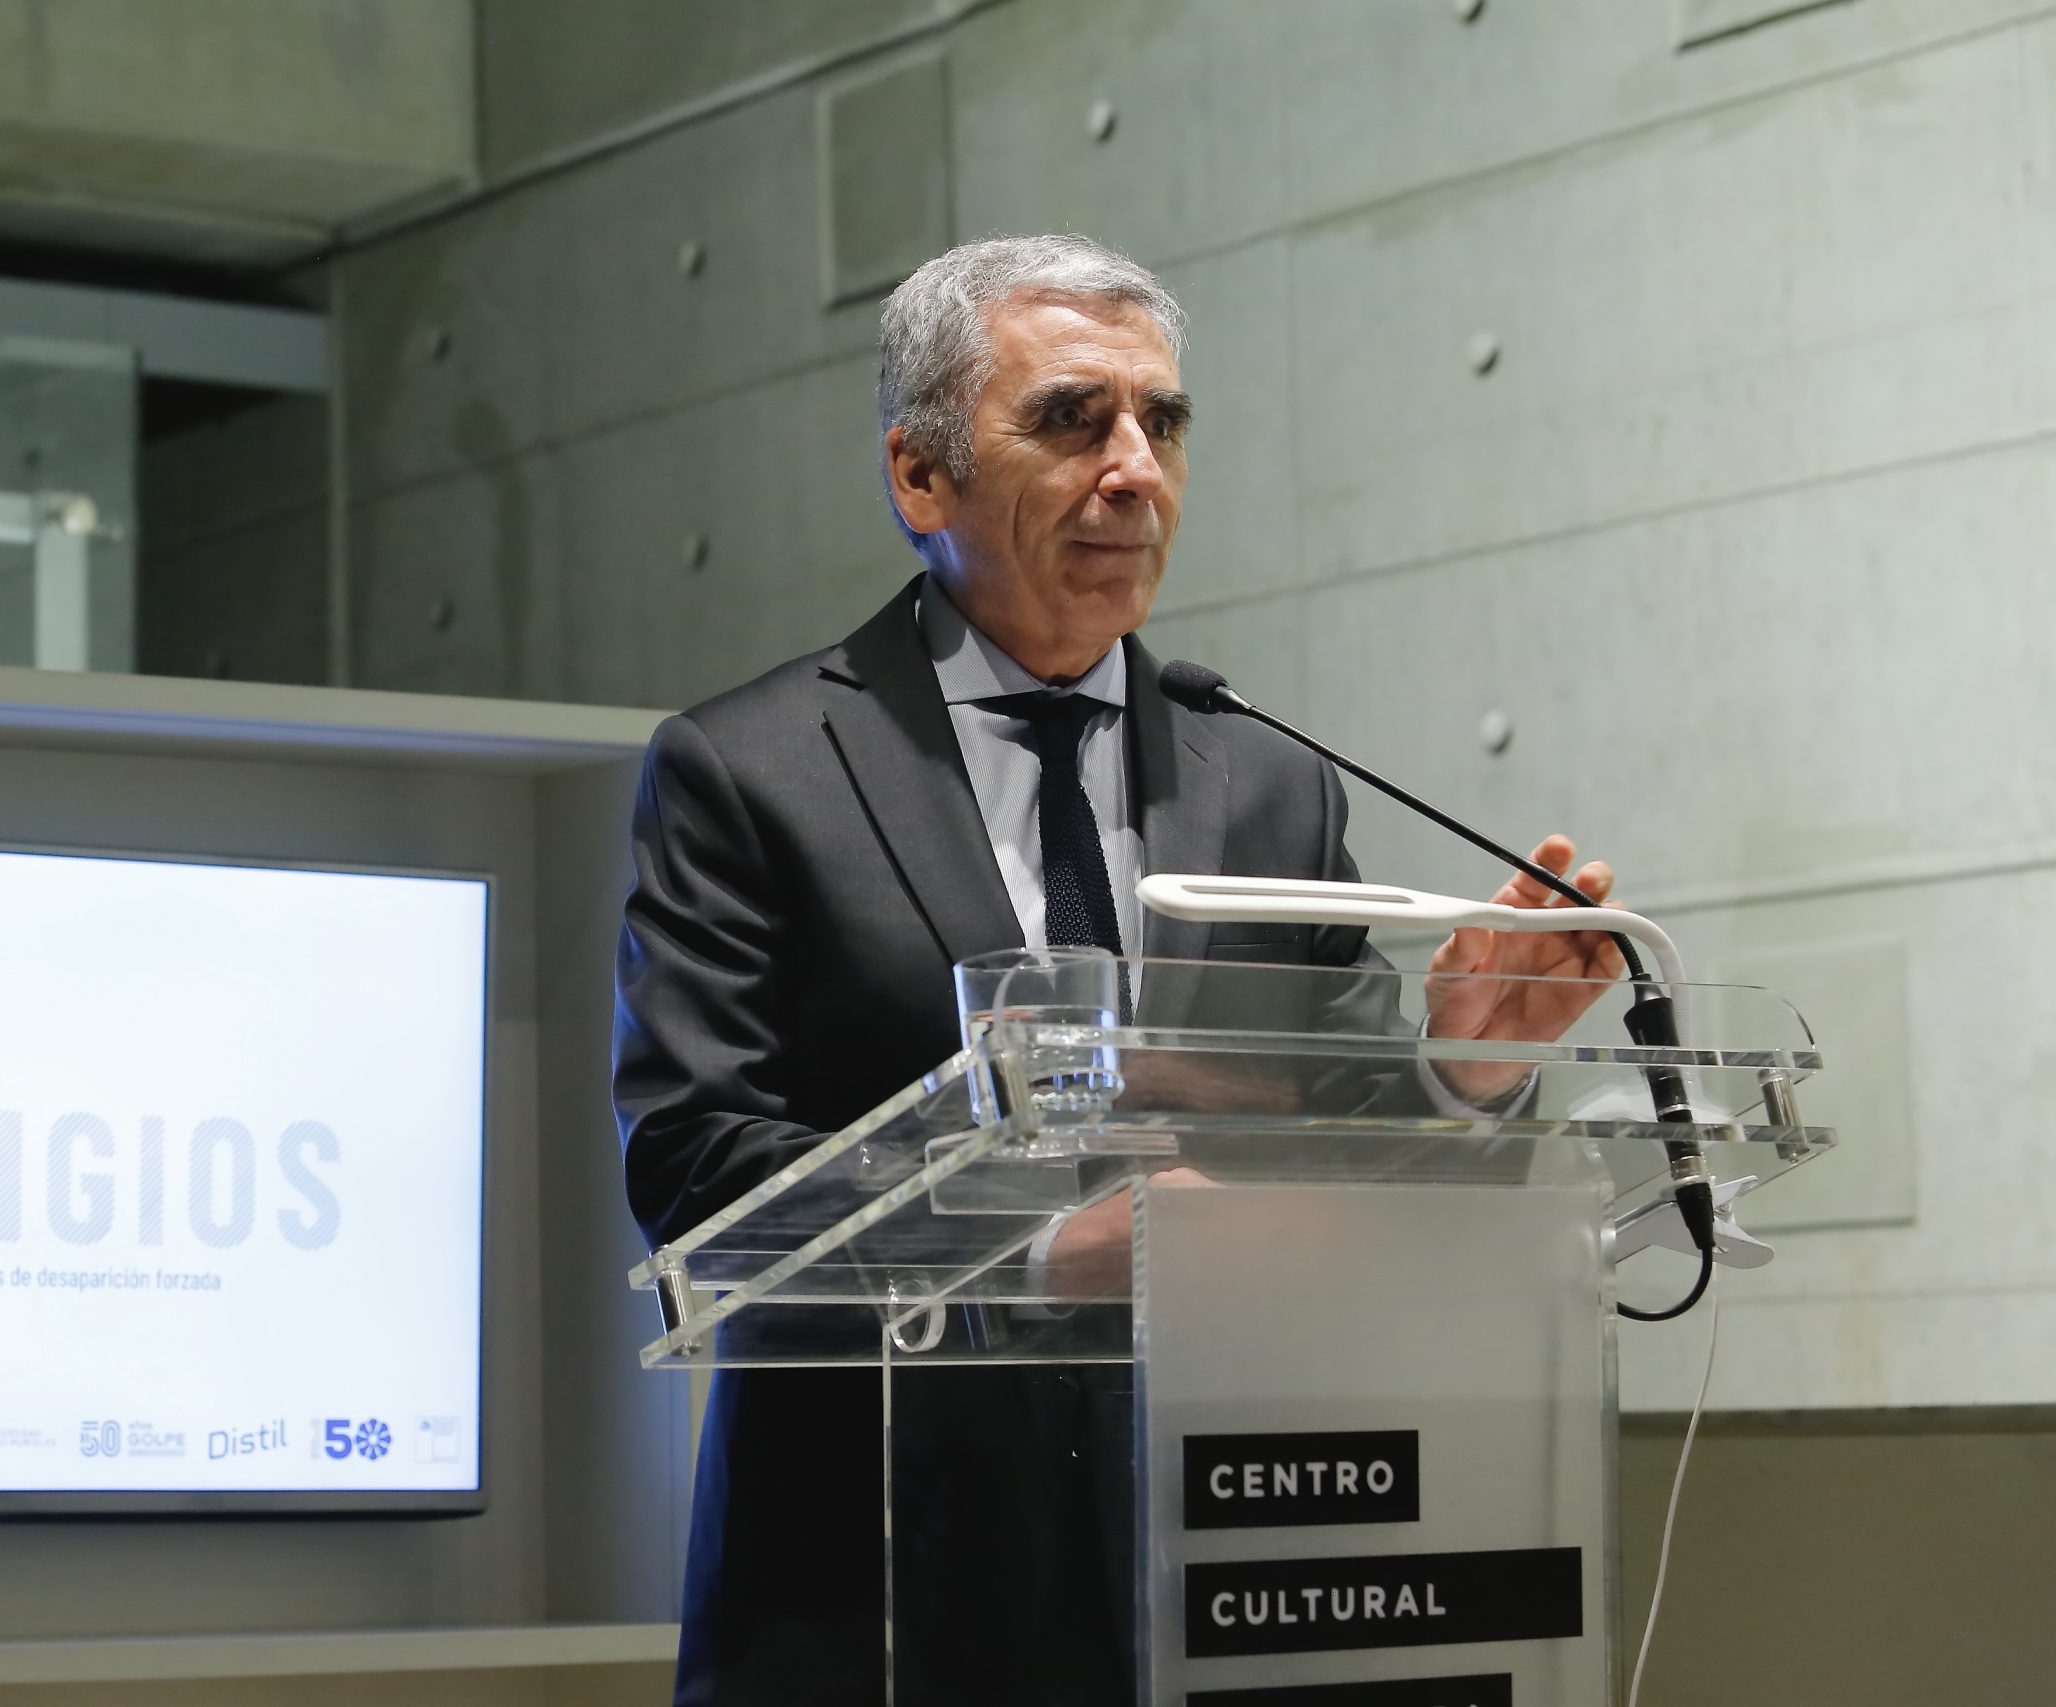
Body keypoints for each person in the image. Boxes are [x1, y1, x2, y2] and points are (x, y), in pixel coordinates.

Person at [612, 234, 1625, 1706]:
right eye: (1073, 420)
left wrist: (1461, 1073)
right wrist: (1038, 1254)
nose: (1136, 470)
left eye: (1164, 422)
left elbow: (1335, 1145)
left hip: (1233, 1560)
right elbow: (700, 1167)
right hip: (877, 1586)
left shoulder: (1268, 781)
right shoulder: (752, 770)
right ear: (922, 476)